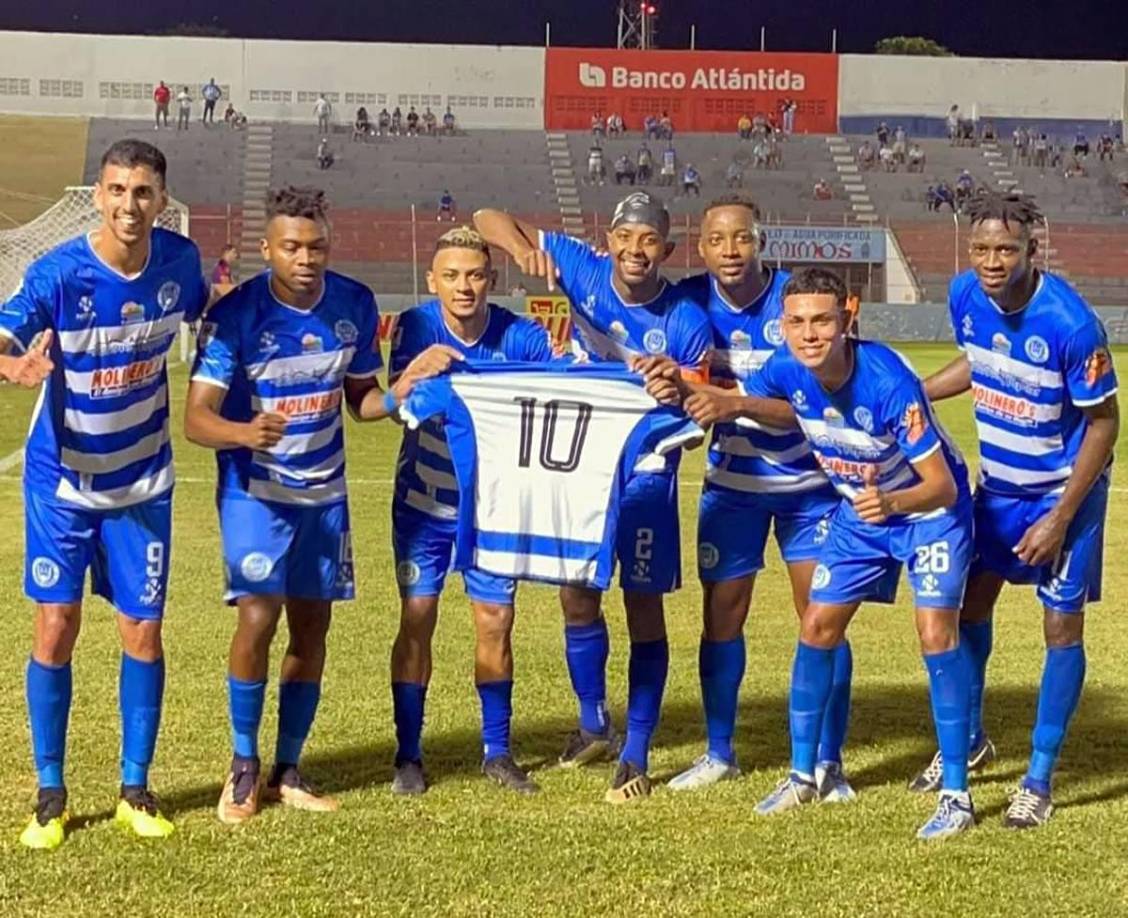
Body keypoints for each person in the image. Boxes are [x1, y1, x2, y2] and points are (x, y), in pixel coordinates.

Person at [685, 267, 977, 840]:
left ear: (848, 315)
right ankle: (803, 775)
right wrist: (729, 404)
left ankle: (957, 794)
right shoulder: (787, 366)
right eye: (796, 322)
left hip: (927, 514)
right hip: (860, 514)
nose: (809, 333)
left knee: (935, 634)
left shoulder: (889, 383)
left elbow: (942, 485)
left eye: (821, 320)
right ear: (782, 325)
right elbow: (779, 405)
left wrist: (890, 504)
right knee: (816, 626)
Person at [184, 186, 435, 824]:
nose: (305, 257)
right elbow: (195, 420)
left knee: (312, 627)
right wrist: (246, 433)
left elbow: (363, 402)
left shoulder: (353, 303)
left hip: (324, 495)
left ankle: (287, 768)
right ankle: (243, 763)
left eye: (316, 246)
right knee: (258, 618)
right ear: (267, 249)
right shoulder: (237, 314)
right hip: (255, 494)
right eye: (291, 246)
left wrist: (402, 393)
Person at [0, 139, 210, 849]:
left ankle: (134, 787)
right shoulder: (58, 274)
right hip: (60, 484)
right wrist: (13, 364)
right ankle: (51, 793)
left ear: (161, 200)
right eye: (117, 190)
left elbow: (213, 317)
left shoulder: (179, 264)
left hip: (142, 482)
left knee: (141, 633)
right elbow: (4, 332)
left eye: (143, 192)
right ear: (98, 195)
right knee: (55, 629)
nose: (129, 205)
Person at [473, 193, 711, 804]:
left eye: (649, 240)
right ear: (609, 240)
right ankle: (591, 723)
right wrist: (525, 250)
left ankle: (635, 749)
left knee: (641, 607)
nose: (635, 251)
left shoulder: (684, 318)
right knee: (576, 596)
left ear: (667, 248)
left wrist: (678, 383)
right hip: (582, 464)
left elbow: (703, 403)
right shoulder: (581, 267)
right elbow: (487, 217)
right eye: (626, 238)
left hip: (647, 471)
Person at [917, 192, 1119, 829]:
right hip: (998, 489)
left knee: (1060, 629)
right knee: (968, 606)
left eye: (1006, 248)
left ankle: (1039, 776)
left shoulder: (1071, 323)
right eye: (981, 248)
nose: (992, 261)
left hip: (1063, 498)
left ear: (1034, 249)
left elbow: (1106, 424)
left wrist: (1059, 517)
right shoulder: (963, 295)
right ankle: (971, 742)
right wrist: (914, 395)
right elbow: (979, 366)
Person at [652, 198, 847, 794]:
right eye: (717, 240)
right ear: (701, 246)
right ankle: (719, 752)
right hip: (732, 489)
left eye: (741, 238)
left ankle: (826, 761)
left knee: (822, 621)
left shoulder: (799, 302)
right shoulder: (686, 305)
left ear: (760, 241)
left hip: (808, 491)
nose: (730, 250)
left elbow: (820, 401)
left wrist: (733, 402)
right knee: (720, 621)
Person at [388, 227, 557, 797]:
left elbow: (565, 387)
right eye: (452, 276)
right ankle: (408, 755)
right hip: (423, 506)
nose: (465, 287)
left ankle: (498, 751)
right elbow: (392, 405)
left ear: (493, 280)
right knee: (418, 618)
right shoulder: (414, 327)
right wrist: (415, 373)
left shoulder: (523, 337)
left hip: (492, 510)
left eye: (476, 276)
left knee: (496, 623)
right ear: (432, 280)